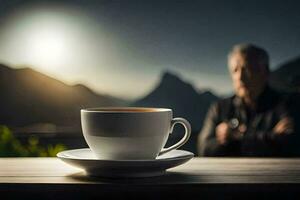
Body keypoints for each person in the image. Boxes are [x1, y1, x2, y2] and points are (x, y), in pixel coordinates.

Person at [198, 44, 298, 157]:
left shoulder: (288, 104)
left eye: (246, 69)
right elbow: (204, 149)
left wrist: (234, 139)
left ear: (264, 71)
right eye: (235, 70)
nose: (240, 77)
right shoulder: (219, 108)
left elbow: (292, 145)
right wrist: (271, 137)